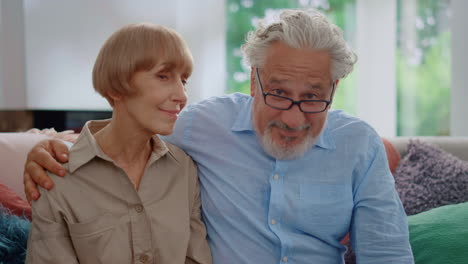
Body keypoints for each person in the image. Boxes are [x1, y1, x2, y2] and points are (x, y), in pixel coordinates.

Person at [23, 9, 414, 263]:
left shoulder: (358, 144)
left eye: (312, 98)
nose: (294, 118)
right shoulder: (200, 125)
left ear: (334, 89)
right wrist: (49, 147)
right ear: (253, 81)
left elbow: (386, 254)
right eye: (278, 93)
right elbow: (124, 142)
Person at [24, 23, 212, 264]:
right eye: (163, 76)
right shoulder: (56, 177)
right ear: (116, 88)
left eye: (184, 80)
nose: (182, 95)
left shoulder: (184, 169)